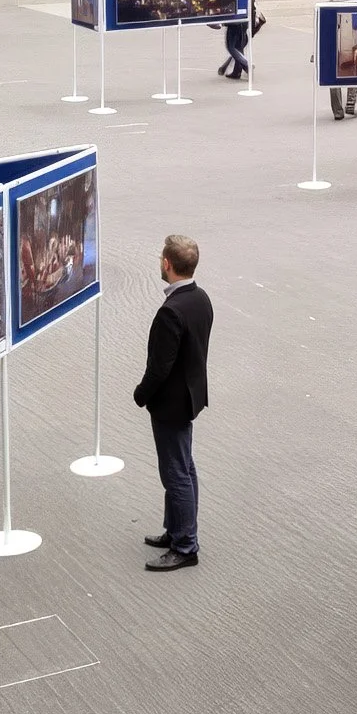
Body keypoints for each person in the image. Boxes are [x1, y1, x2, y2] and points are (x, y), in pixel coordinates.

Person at [135, 234, 213, 570]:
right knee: (184, 467)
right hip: (190, 396)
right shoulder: (201, 299)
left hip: (171, 403)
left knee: (176, 472)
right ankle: (176, 529)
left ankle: (185, 546)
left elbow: (159, 368)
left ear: (167, 264)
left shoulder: (170, 312)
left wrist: (141, 394)